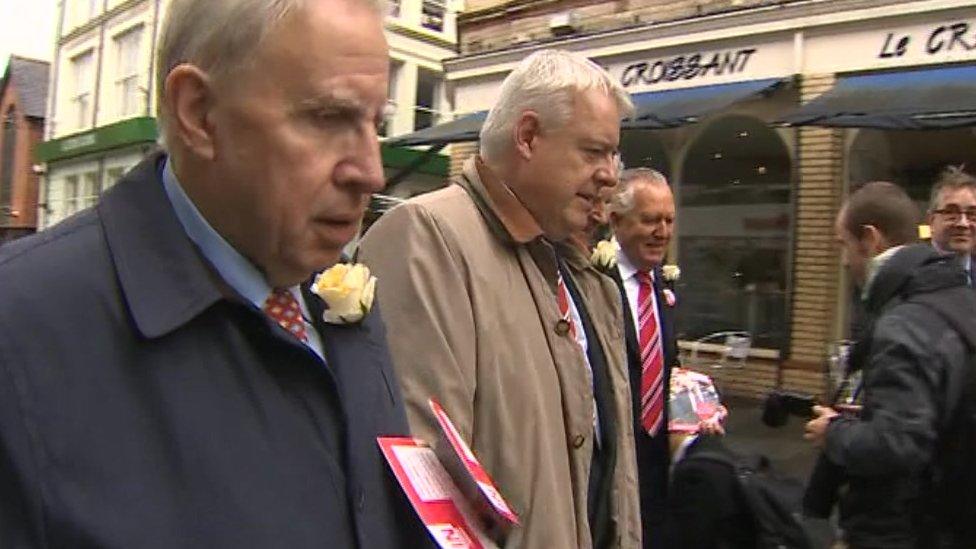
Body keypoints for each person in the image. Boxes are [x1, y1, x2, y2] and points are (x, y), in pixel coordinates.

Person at [0, 0, 430, 547]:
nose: (371, 171)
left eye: (377, 124)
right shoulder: (19, 334)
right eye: (328, 118)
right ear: (199, 112)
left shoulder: (335, 294)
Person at [358, 50, 641, 548]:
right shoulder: (427, 237)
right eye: (594, 151)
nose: (611, 175)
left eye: (613, 155)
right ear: (528, 137)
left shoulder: (578, 269)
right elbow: (426, 482)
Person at [804, 181, 976, 548]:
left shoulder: (902, 324)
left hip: (906, 528)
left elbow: (898, 444)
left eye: (843, 246)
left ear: (870, 239)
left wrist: (833, 433)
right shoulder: (958, 299)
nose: (844, 260)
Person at [606, 168, 680, 549]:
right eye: (650, 220)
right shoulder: (594, 282)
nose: (662, 231)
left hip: (656, 468)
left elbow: (670, 366)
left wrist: (693, 409)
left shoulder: (665, 287)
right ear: (615, 221)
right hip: (610, 466)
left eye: (668, 220)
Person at [927, 166, 976, 284]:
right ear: (931, 221)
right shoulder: (909, 277)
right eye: (951, 213)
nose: (963, 223)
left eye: (972, 214)